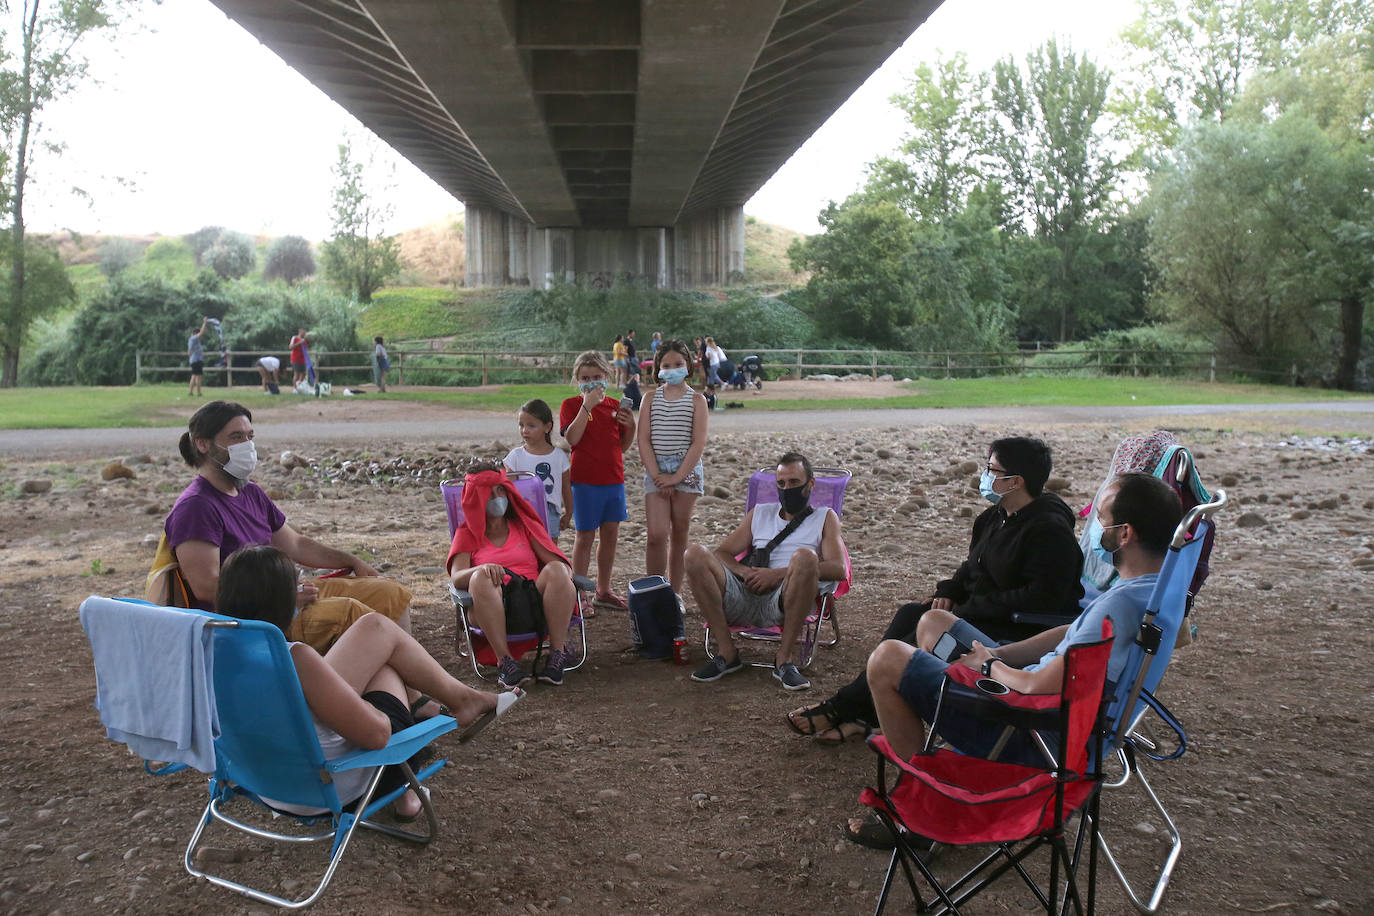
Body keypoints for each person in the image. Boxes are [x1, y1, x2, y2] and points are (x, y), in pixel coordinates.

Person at [847, 472, 1181, 847]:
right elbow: (1073, 635)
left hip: (1032, 729)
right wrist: (998, 653)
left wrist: (989, 668)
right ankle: (943, 769)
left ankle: (922, 818)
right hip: (1059, 713)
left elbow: (1041, 685)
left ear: (1125, 535)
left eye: (1101, 518)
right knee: (934, 622)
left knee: (888, 659)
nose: (1093, 529)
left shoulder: (1119, 605)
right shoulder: (1157, 590)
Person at [787, 437, 1083, 744]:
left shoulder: (1049, 530)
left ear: (1016, 481)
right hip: (987, 612)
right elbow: (973, 566)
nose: (985, 476)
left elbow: (1044, 597)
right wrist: (950, 590)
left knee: (919, 634)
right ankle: (869, 714)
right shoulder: (995, 518)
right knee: (912, 614)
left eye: (992, 470)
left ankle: (844, 707)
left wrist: (969, 609)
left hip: (1022, 628)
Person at [217, 544, 520, 819]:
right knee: (385, 669)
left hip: (264, 784)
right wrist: (359, 702)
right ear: (284, 604)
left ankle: (462, 699)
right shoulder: (296, 659)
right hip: (326, 791)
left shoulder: (214, 657)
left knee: (374, 628)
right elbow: (377, 736)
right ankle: (411, 778)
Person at [164, 400, 420, 663]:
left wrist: (351, 560)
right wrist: (280, 599)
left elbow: (295, 545)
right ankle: (408, 697)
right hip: (253, 620)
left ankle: (408, 690)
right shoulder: (195, 507)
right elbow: (206, 587)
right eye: (236, 437)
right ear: (203, 444)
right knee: (351, 613)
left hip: (286, 596)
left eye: (250, 436)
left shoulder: (250, 492)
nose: (247, 446)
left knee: (391, 593)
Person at [686, 451, 846, 691]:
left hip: (787, 598)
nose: (786, 489)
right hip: (745, 590)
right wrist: (744, 572)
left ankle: (784, 659)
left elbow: (839, 568)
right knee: (695, 554)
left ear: (810, 484)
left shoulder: (824, 518)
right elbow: (722, 553)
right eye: (781, 483)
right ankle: (727, 652)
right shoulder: (760, 513)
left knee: (805, 557)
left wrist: (778, 574)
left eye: (794, 482)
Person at [446, 461, 580, 688]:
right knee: (480, 579)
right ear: (476, 498)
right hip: (491, 608)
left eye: (501, 490)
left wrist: (563, 574)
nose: (497, 497)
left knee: (557, 569)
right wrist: (481, 568)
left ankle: (556, 656)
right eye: (489, 493)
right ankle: (505, 663)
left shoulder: (523, 525)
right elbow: (457, 577)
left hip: (532, 603)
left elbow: (560, 564)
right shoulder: (467, 533)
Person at [559, 350, 636, 612]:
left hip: (613, 480)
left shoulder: (615, 407)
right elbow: (572, 439)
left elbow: (622, 445)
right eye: (585, 377)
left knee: (611, 535)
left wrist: (632, 426)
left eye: (597, 376)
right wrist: (586, 406)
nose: (591, 381)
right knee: (584, 537)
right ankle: (579, 592)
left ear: (607, 376)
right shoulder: (571, 405)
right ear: (577, 379)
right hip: (584, 482)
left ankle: (604, 589)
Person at [638, 338, 709, 594]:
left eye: (678, 363)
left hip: (686, 471)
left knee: (680, 531)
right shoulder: (649, 399)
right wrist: (658, 475)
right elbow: (643, 439)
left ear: (688, 365)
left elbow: (698, 443)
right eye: (666, 364)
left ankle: (675, 594)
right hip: (656, 470)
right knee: (656, 535)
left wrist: (677, 476)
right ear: (658, 368)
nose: (672, 368)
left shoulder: (698, 401)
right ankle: (654, 593)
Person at [504, 398, 572, 538]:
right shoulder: (515, 456)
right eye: (521, 425)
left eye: (531, 426)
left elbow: (566, 488)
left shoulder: (559, 456)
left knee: (551, 551)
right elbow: (510, 488)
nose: (524, 431)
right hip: (523, 511)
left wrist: (569, 513)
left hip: (550, 511)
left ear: (547, 427)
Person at [188, 317, 208, 397]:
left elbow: (188, 352)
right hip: (197, 360)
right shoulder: (194, 338)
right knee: (198, 376)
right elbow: (202, 332)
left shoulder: (190, 340)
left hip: (193, 360)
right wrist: (205, 322)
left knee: (194, 375)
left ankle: (191, 392)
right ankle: (199, 393)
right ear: (196, 333)